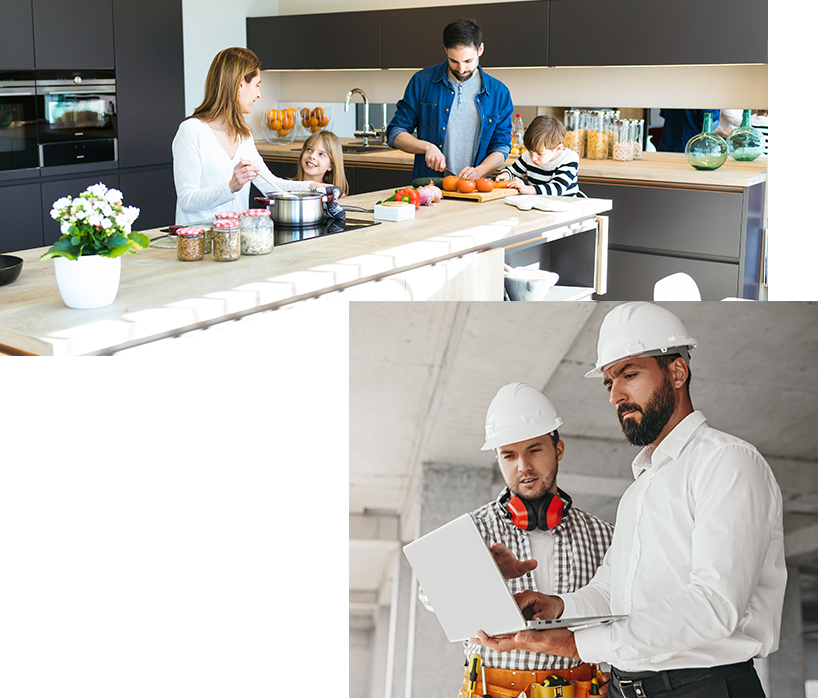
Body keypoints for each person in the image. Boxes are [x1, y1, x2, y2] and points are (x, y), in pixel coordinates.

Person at [473, 303, 787, 698]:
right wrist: (555, 607)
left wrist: (576, 645)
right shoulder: (639, 489)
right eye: (609, 382)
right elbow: (611, 593)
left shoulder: (726, 462)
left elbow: (714, 605)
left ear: (676, 372)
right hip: (628, 689)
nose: (615, 396)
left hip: (703, 686)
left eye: (629, 374)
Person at [424, 382, 614, 698]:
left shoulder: (604, 535)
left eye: (534, 450)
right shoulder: (474, 529)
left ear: (559, 449)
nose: (523, 466)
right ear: (498, 459)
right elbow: (429, 595)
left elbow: (626, 610)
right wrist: (476, 568)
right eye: (509, 455)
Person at [172, 47, 318, 225]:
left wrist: (313, 188)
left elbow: (269, 184)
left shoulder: (244, 135)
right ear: (241, 84)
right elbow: (187, 200)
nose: (259, 94)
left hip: (235, 241)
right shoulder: (192, 131)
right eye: (257, 85)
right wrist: (231, 186)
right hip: (199, 244)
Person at [386, 18, 514, 181]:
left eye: (468, 61)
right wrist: (427, 147)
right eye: (454, 61)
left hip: (475, 188)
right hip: (429, 187)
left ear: (480, 49)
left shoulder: (499, 92)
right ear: (446, 50)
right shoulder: (422, 81)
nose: (461, 69)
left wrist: (478, 172)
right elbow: (395, 133)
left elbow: (501, 148)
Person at [496, 116, 579, 196]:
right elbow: (512, 171)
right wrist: (506, 175)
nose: (533, 158)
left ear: (558, 149)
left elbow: (556, 189)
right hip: (537, 205)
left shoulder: (569, 158)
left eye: (539, 153)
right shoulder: (528, 156)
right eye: (530, 151)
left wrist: (526, 189)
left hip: (565, 207)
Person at [295, 130, 349, 197]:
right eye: (309, 149)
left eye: (321, 154)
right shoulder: (286, 188)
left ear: (331, 165)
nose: (312, 156)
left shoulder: (333, 195)